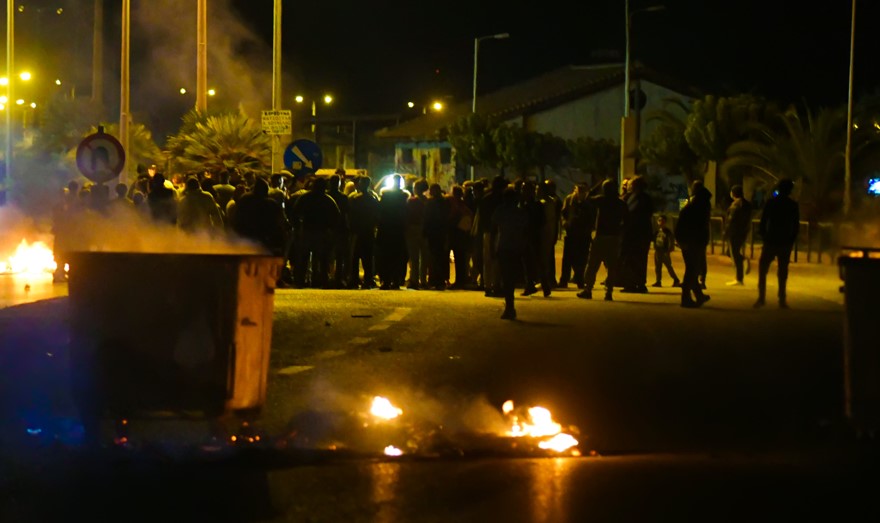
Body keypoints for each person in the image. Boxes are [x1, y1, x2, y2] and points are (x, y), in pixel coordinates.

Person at [577, 179, 628, 301]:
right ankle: (608, 292)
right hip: (614, 237)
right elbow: (627, 220)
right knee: (611, 267)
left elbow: (586, 200)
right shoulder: (621, 203)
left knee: (592, 265)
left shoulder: (601, 200)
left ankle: (588, 289)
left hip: (601, 236)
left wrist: (595, 186)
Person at [755, 178, 800, 308]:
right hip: (785, 240)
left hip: (771, 239)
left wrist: (764, 236)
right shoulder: (792, 205)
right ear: (789, 190)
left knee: (763, 269)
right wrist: (791, 239)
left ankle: (761, 298)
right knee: (783, 271)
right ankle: (781, 299)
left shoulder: (771, 203)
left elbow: (763, 221)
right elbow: (795, 225)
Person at [492, 186, 529, 320]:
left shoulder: (500, 211)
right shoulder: (520, 212)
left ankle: (509, 307)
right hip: (515, 247)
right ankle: (510, 306)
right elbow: (525, 228)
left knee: (506, 277)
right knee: (511, 278)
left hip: (504, 246)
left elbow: (494, 227)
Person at [675, 181, 712, 308]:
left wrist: (680, 240)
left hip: (691, 241)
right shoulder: (701, 207)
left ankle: (697, 295)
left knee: (692, 269)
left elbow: (680, 225)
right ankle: (686, 298)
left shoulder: (691, 207)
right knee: (692, 270)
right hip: (695, 242)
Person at [620, 175, 654, 293]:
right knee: (640, 259)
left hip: (634, 234)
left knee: (631, 259)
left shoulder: (636, 198)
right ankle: (639, 283)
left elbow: (631, 214)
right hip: (642, 233)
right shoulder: (645, 198)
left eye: (630, 184)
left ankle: (631, 283)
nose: (628, 185)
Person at [724, 184, 753, 286]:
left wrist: (726, 232)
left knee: (734, 254)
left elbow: (731, 221)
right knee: (730, 252)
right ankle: (744, 261)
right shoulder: (747, 204)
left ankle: (739, 278)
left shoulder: (735, 205)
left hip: (734, 232)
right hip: (743, 232)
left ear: (733, 193)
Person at [651, 215, 680, 288]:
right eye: (659, 220)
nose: (661, 222)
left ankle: (676, 279)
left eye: (662, 221)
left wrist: (669, 250)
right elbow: (654, 240)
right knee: (658, 267)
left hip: (664, 252)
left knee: (668, 267)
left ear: (665, 222)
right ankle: (658, 281)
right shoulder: (657, 231)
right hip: (658, 251)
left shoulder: (667, 231)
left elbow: (671, 241)